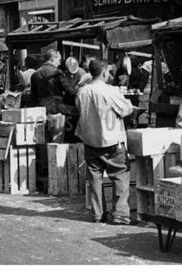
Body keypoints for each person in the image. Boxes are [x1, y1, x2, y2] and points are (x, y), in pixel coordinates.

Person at [75, 59, 135, 225]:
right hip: (111, 141)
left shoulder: (82, 92)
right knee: (120, 176)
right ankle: (120, 214)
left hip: (90, 141)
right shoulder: (110, 91)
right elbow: (126, 109)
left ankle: (97, 214)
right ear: (103, 73)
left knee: (95, 178)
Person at [30, 49, 78, 117]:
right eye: (59, 60)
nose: (59, 63)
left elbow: (33, 97)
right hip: (57, 108)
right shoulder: (57, 73)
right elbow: (70, 91)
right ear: (52, 59)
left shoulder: (35, 74)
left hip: (41, 110)